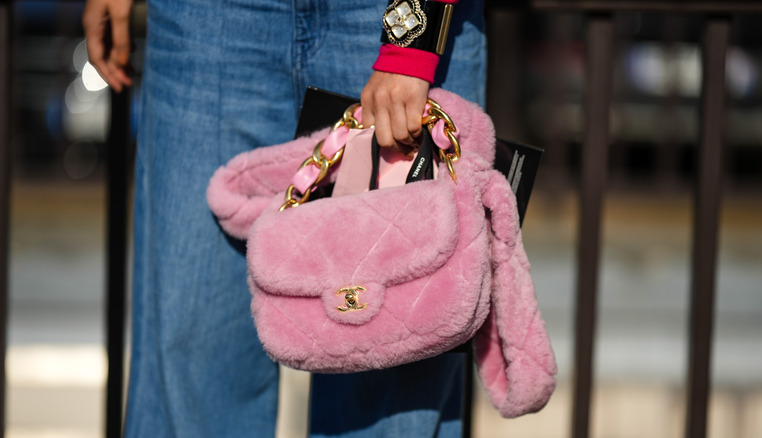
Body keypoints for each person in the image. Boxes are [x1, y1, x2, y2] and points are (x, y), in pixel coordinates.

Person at [83, 0, 486, 435]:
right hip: (207, 18)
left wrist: (412, 38)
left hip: (388, 18)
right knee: (193, 353)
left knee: (397, 379)